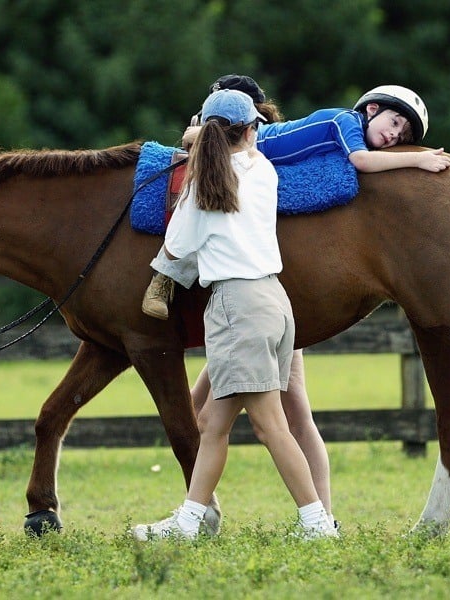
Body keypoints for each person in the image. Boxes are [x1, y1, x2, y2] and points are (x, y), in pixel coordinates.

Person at [131, 89, 337, 540]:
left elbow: (179, 246)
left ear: (206, 133)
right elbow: (235, 150)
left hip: (236, 307)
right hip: (275, 304)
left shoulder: (202, 185)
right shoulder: (262, 169)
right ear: (250, 131)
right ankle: (188, 523)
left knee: (270, 427)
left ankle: (318, 523)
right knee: (211, 422)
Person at [141, 77, 450, 320]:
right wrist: (417, 160)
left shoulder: (354, 129)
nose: (395, 137)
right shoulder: (346, 121)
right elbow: (361, 161)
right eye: (395, 123)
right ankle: (164, 278)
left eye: (403, 138)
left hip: (259, 147)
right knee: (201, 198)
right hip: (252, 143)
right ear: (372, 109)